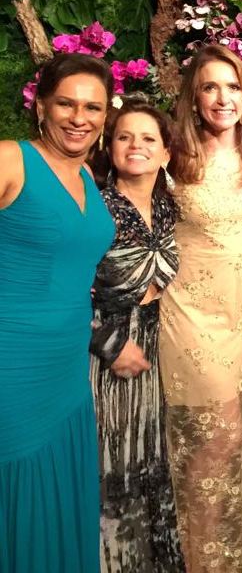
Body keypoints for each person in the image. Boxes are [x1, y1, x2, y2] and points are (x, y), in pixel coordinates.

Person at [0, 54, 116, 573]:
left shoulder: (87, 175)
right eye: (66, 103)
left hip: (66, 366)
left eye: (93, 107)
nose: (79, 117)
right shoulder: (11, 159)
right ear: (41, 106)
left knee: (56, 493)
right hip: (11, 364)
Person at [159, 44, 242, 572]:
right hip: (188, 318)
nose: (223, 98)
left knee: (232, 439)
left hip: (241, 319)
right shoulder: (172, 159)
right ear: (193, 99)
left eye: (232, 87)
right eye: (209, 87)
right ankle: (197, 560)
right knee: (209, 442)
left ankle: (232, 556)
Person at [89, 100, 185, 572]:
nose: (136, 146)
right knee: (108, 466)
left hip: (150, 350)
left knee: (146, 459)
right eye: (124, 136)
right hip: (101, 357)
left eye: (148, 138)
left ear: (166, 153)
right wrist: (108, 344)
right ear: (110, 147)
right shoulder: (95, 209)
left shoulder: (167, 208)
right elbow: (62, 289)